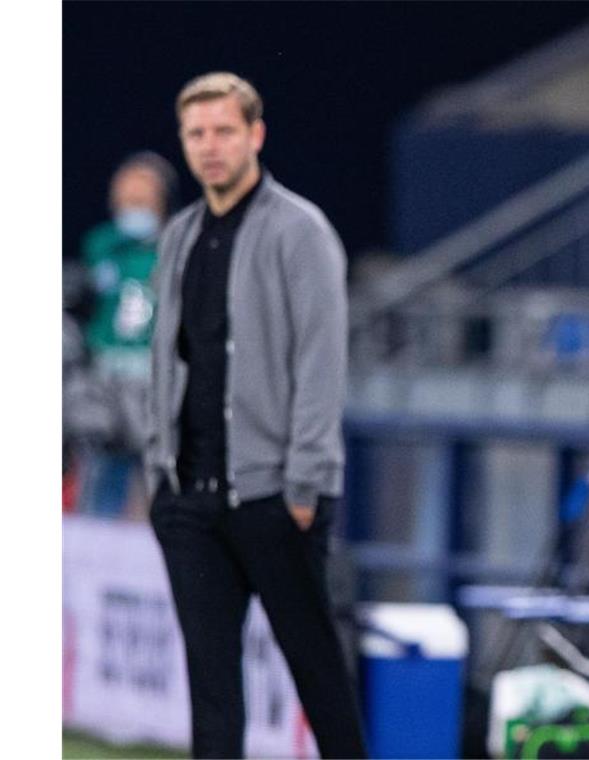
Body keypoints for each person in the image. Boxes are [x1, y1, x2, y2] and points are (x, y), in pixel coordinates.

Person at [145, 71, 367, 758]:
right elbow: (167, 357)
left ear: (255, 135)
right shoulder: (178, 235)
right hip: (190, 498)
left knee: (320, 684)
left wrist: (302, 487)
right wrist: (161, 471)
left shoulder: (300, 231)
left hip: (276, 498)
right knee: (212, 700)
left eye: (224, 131)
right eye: (196, 133)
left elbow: (321, 366)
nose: (210, 147)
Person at [82, 151, 177, 381]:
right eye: (126, 200)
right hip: (104, 363)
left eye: (141, 201)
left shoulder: (176, 247)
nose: (133, 208)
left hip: (154, 365)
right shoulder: (101, 244)